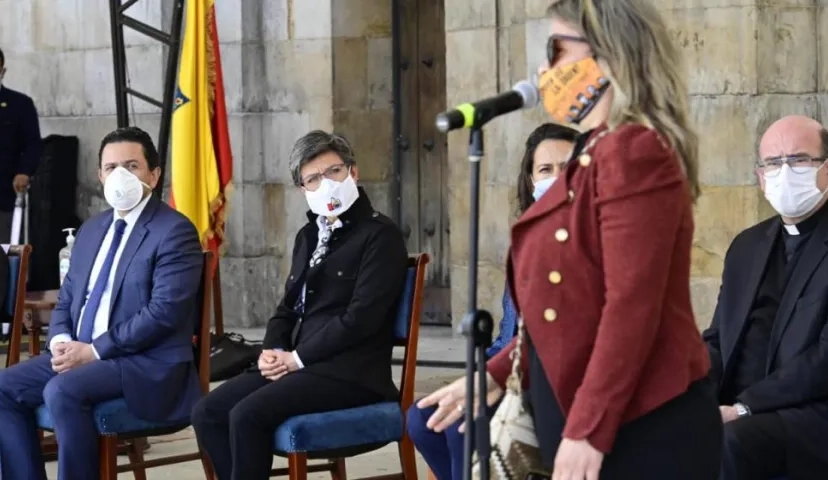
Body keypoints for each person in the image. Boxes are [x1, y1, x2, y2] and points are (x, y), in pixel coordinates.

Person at [418, 0, 723, 479]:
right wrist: (498, 375)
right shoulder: (594, 152)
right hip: (595, 415)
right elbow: (566, 304)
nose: (545, 68)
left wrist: (588, 431)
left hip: (641, 427)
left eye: (556, 49)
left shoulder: (633, 150)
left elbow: (630, 306)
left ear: (609, 55)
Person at [0, 126, 205, 480]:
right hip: (83, 354)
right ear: (99, 175)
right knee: (0, 388)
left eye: (131, 166)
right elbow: (68, 296)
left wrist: (94, 351)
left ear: (154, 173)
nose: (120, 175)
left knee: (62, 390)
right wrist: (60, 341)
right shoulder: (91, 229)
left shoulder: (174, 231)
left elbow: (164, 313)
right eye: (111, 167)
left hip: (144, 363)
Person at [191, 130, 408, 480]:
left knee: (247, 415)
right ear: (302, 189)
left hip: (349, 373)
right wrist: (273, 349)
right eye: (313, 179)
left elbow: (361, 319)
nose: (326, 184)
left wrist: (297, 359)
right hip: (300, 366)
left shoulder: (380, 235)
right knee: (208, 412)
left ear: (353, 172)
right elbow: (288, 307)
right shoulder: (309, 236)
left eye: (334, 172)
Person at [406, 122, 579, 480]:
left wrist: (493, 375)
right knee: (421, 418)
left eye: (568, 168)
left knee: (464, 426)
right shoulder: (525, 245)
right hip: (510, 364)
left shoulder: (593, 241)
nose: (557, 177)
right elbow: (507, 332)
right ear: (530, 182)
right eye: (545, 170)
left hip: (554, 381)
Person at [703, 115, 828, 480]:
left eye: (800, 160)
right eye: (773, 163)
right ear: (760, 179)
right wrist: (686, 392)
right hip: (740, 406)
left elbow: (824, 359)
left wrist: (744, 408)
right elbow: (717, 340)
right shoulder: (747, 245)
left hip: (810, 411)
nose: (785, 171)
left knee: (730, 441)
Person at [0, 44, 42, 243]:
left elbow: (32, 144)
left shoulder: (20, 104)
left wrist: (24, 172)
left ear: (3, 72)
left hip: (3, 187)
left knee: (2, 245)